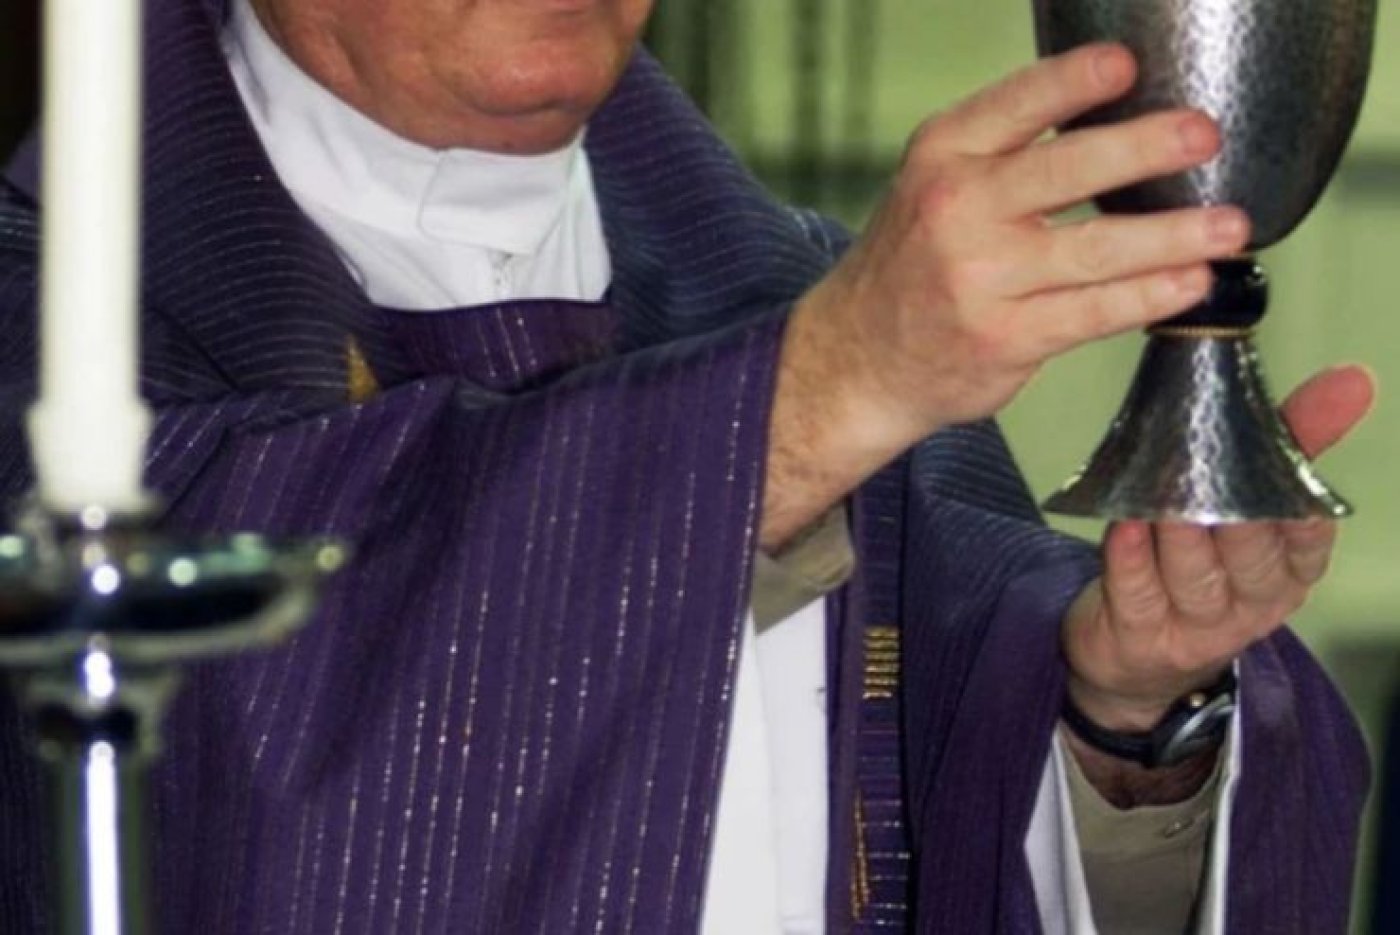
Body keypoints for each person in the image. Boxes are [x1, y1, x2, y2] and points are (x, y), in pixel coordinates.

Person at [0, 0, 1373, 931]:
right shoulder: (50, 316)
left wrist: (1122, 715)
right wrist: (811, 397)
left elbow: (956, 787)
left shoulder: (795, 294)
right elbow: (230, 735)